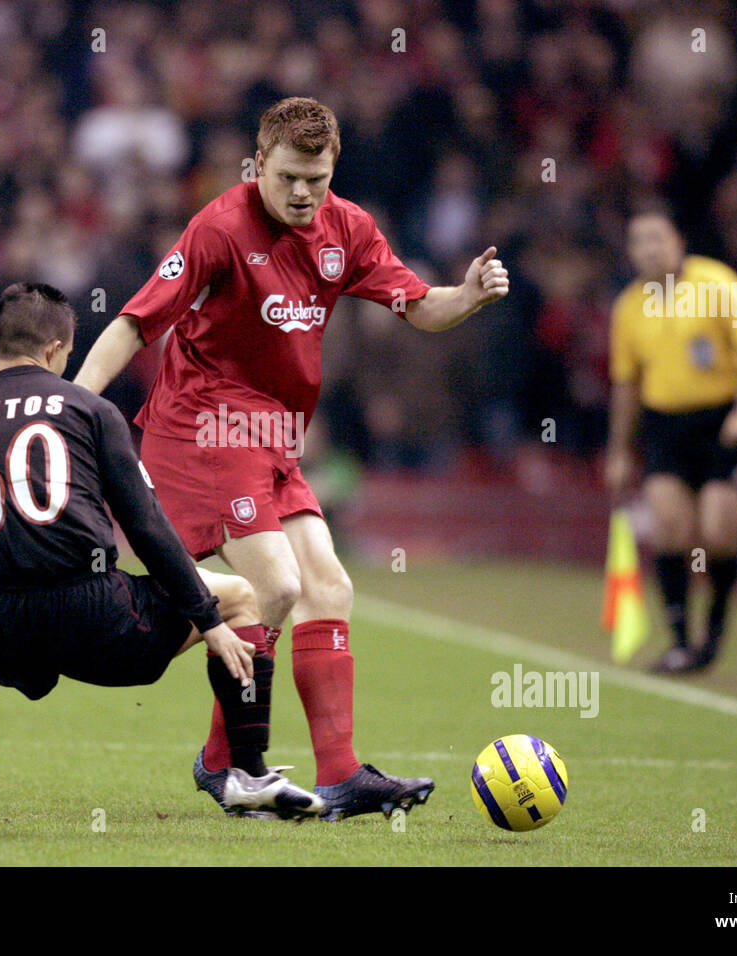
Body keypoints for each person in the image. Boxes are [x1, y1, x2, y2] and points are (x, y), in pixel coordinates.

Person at [73, 98, 510, 820]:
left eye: (316, 177)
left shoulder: (349, 228)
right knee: (274, 585)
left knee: (329, 587)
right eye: (287, 178)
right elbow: (134, 321)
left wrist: (464, 297)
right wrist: (75, 409)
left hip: (274, 435)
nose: (303, 193)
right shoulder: (219, 225)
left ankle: (335, 775)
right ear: (258, 163)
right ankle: (229, 761)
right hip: (203, 426)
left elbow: (418, 305)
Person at [0, 282, 323, 830]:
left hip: (1, 623)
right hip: (96, 617)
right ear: (58, 350)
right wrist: (207, 619)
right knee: (243, 596)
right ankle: (247, 774)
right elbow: (149, 529)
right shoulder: (90, 409)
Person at [605, 207, 737, 673]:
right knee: (669, 527)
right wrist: (619, 449)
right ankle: (682, 641)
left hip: (721, 421)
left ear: (680, 241)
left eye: (658, 237)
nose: (650, 248)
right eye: (639, 240)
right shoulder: (628, 307)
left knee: (719, 530)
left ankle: (716, 624)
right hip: (665, 425)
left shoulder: (717, 283)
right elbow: (626, 384)